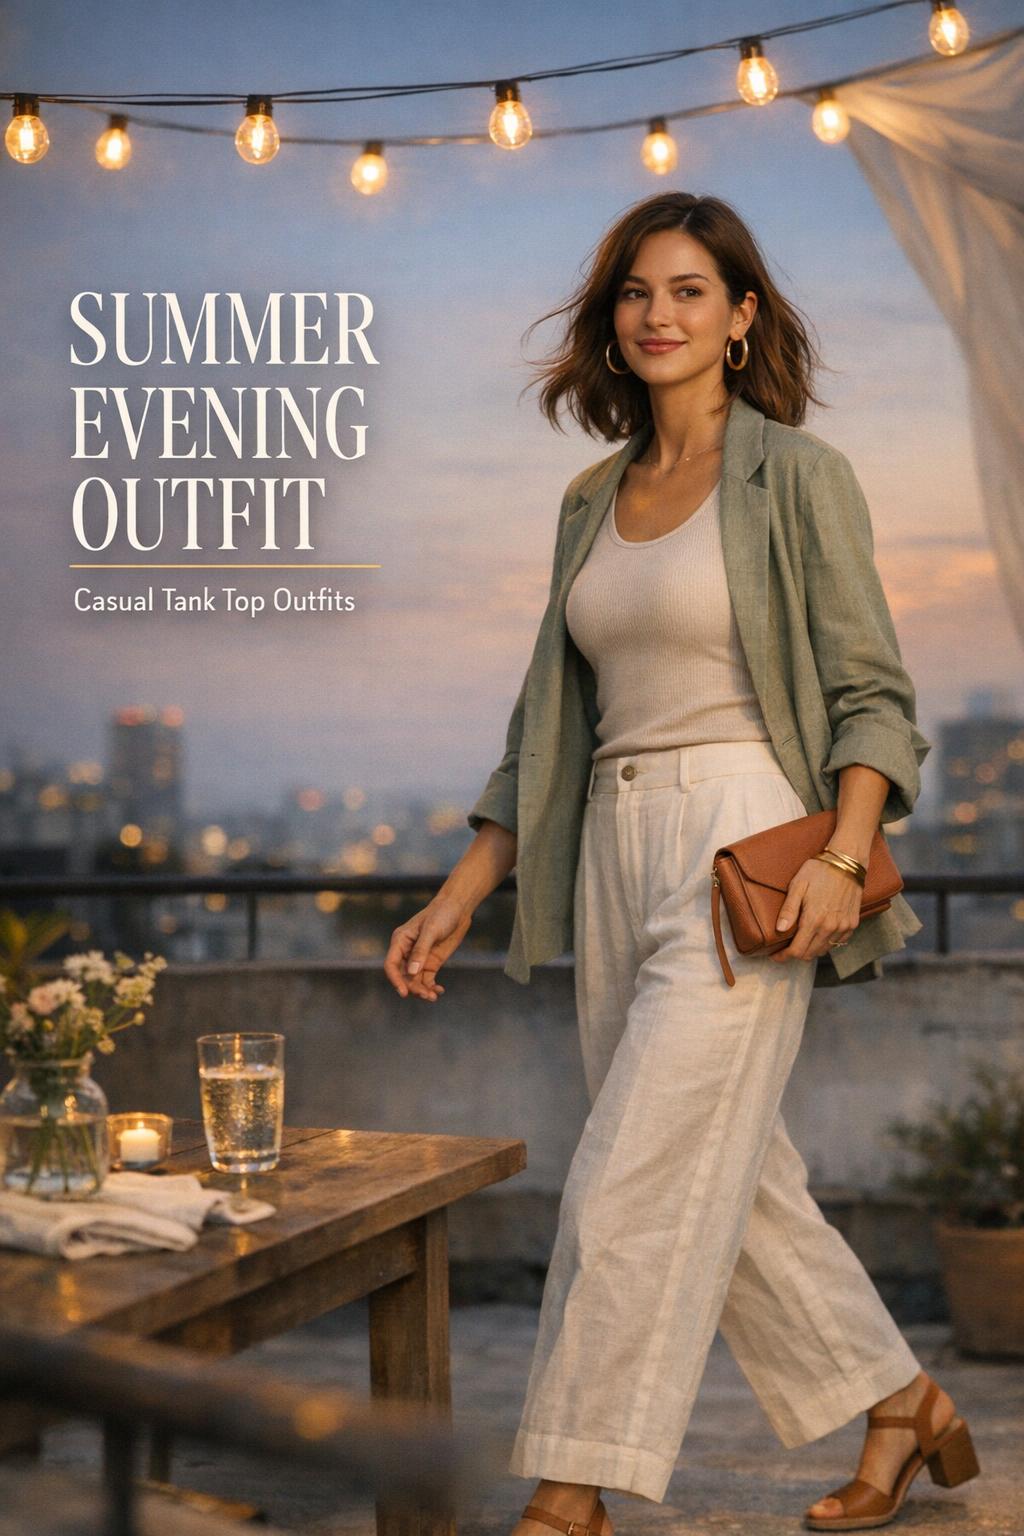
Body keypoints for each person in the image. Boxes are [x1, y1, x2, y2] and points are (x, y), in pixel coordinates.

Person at [383, 193, 980, 1532]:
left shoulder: (798, 478)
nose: (659, 314)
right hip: (607, 845)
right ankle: (904, 1404)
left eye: (690, 290)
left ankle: (571, 1487)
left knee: (632, 1177)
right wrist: (464, 889)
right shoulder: (590, 499)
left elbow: (876, 698)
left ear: (741, 316)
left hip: (746, 852)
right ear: (615, 320)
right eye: (637, 292)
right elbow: (547, 724)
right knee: (729, 1177)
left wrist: (844, 856)